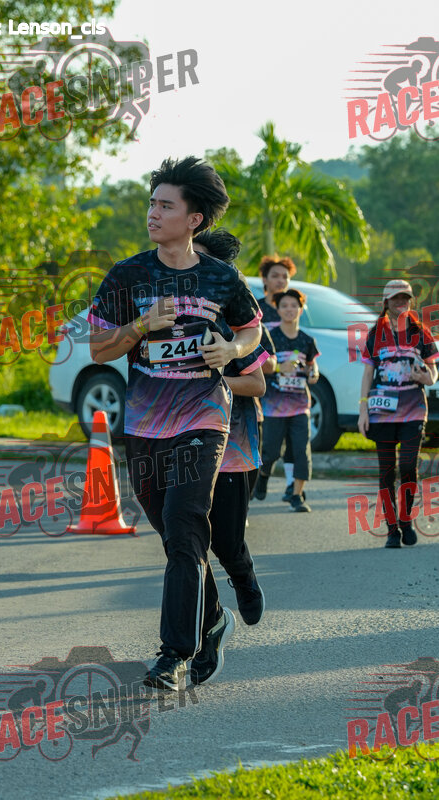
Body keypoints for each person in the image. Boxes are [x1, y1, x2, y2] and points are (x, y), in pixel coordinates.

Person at [89, 156, 262, 691]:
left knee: (186, 528)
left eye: (166, 205)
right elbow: (98, 348)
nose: (153, 213)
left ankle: (173, 656)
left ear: (194, 219)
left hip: (203, 419)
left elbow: (252, 330)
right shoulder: (128, 275)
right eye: (152, 203)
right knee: (175, 540)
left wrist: (231, 349)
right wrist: (141, 325)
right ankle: (213, 617)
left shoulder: (221, 277)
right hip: (145, 425)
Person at [192, 229, 270, 643]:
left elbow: (257, 384)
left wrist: (213, 383)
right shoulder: (174, 313)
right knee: (187, 539)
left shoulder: (234, 319)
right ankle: (208, 617)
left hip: (233, 447)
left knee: (225, 540)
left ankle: (243, 576)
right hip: (183, 443)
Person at [358, 279, 439, 548]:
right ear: (386, 303)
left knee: (407, 467)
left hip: (414, 410)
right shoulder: (375, 333)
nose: (401, 302)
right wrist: (363, 410)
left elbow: (433, 372)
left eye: (405, 297)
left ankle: (406, 519)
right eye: (396, 298)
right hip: (381, 411)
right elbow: (367, 373)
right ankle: (392, 529)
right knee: (386, 471)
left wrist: (426, 377)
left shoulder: (421, 332)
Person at [257, 289, 320, 512]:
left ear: (301, 310)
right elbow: (259, 365)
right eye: (284, 305)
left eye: (294, 305)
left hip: (300, 406)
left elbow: (312, 364)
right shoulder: (269, 337)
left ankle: (297, 495)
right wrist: (278, 368)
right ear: (278, 309)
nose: (289, 310)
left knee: (301, 451)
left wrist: (313, 373)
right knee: (271, 452)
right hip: (273, 407)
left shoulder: (307, 340)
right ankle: (262, 476)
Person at [254, 254, 299, 503]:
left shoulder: (293, 306)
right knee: (270, 445)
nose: (281, 280)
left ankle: (293, 490)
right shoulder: (256, 308)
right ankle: (262, 475)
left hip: (291, 385)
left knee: (294, 440)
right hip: (263, 383)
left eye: (285, 276)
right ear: (265, 279)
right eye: (275, 276)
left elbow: (300, 341)